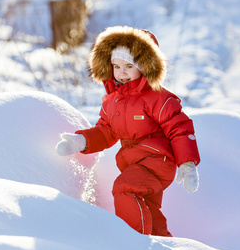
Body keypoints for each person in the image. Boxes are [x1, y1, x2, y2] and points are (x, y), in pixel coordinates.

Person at [56, 26, 200, 237]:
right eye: (116, 66)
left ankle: (133, 247)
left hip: (157, 161)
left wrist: (187, 163)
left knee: (124, 188)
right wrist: (81, 142)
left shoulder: (158, 98)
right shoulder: (112, 101)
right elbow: (105, 131)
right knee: (146, 208)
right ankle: (163, 247)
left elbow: (179, 127)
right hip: (134, 163)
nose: (121, 73)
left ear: (145, 66)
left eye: (129, 66)